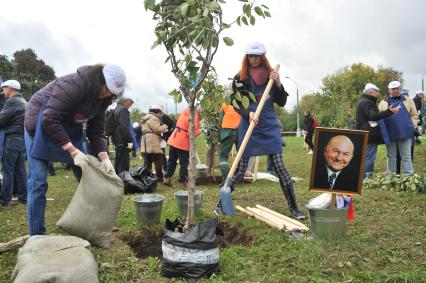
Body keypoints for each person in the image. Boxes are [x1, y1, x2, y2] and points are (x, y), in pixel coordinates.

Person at [24, 63, 125, 235]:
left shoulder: (103, 100)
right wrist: (73, 151)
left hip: (69, 129)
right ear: (98, 80)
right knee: (38, 181)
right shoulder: (72, 85)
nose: (107, 94)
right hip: (39, 125)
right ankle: (37, 234)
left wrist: (104, 157)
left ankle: (94, 222)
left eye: (111, 93)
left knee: (88, 174)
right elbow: (49, 119)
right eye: (106, 89)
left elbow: (96, 130)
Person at [215, 42, 305, 219]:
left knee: (280, 167)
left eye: (257, 56)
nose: (253, 59)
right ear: (246, 57)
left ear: (263, 56)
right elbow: (236, 103)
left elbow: (282, 102)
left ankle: (294, 208)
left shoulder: (271, 76)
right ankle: (220, 204)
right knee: (240, 170)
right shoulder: (239, 78)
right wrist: (248, 113)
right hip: (249, 125)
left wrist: (278, 83)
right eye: (250, 56)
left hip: (269, 125)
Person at [355, 83, 398, 178]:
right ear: (370, 92)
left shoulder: (362, 101)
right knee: (369, 156)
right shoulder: (367, 102)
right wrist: (389, 111)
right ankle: (366, 177)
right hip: (369, 133)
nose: (378, 94)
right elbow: (373, 116)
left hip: (364, 132)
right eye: (376, 92)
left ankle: (364, 175)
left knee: (366, 155)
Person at [378, 81, 419, 176]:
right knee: (391, 156)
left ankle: (408, 176)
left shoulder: (408, 100)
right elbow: (379, 116)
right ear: (389, 90)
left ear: (399, 89)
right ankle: (391, 176)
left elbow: (414, 115)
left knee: (406, 156)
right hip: (390, 133)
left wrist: (411, 126)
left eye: (397, 88)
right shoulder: (383, 102)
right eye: (393, 89)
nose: (396, 90)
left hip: (405, 133)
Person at [0, 80, 27, 206]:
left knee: (7, 170)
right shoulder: (23, 100)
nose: (2, 91)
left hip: (12, 139)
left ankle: (5, 200)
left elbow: (1, 121)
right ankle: (24, 198)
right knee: (20, 170)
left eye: (4, 88)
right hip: (21, 139)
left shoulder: (11, 101)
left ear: (10, 89)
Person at [163, 105, 201, 187]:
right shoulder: (194, 116)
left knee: (172, 160)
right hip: (182, 142)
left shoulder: (184, 112)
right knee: (184, 162)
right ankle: (183, 180)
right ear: (198, 109)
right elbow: (191, 132)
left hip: (174, 138)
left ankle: (168, 178)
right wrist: (201, 130)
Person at [140, 105, 168, 182]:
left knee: (147, 160)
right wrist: (164, 127)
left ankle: (147, 176)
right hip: (153, 141)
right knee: (158, 159)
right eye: (160, 113)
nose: (161, 115)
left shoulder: (145, 118)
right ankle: (159, 177)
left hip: (145, 141)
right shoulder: (154, 118)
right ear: (157, 112)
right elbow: (157, 129)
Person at [111, 96, 134, 175]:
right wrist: (129, 140)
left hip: (116, 138)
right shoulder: (123, 110)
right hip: (122, 139)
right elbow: (124, 126)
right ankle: (123, 180)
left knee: (118, 161)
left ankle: (117, 178)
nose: (130, 106)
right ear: (126, 102)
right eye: (129, 104)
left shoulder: (116, 109)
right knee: (123, 163)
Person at [218, 102, 240, 179]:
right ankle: (239, 176)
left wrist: (219, 136)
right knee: (240, 154)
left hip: (227, 131)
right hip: (239, 131)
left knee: (223, 156)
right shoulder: (242, 106)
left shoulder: (224, 105)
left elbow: (220, 121)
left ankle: (227, 178)